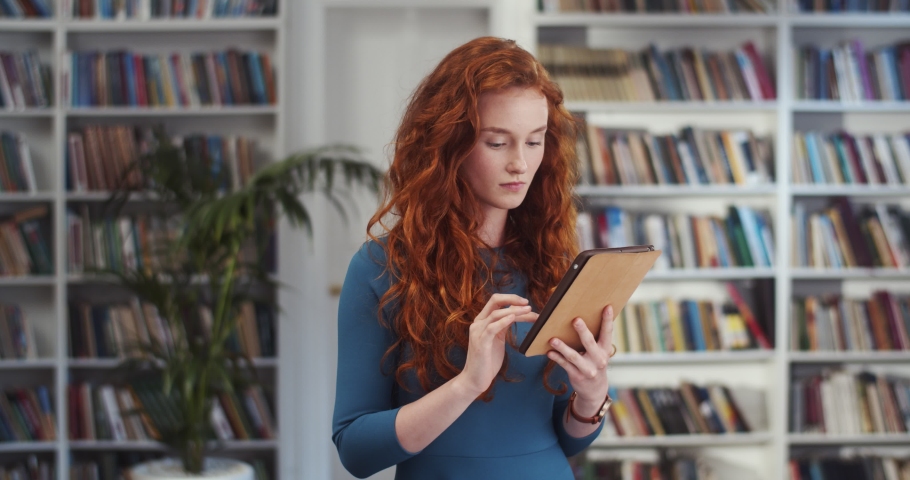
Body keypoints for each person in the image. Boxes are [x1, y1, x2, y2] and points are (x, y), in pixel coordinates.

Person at [332, 36, 616, 479]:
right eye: (498, 143)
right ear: (448, 145)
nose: (521, 164)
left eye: (535, 141)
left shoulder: (554, 260)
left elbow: (570, 439)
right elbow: (356, 450)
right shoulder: (380, 267)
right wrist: (467, 384)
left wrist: (591, 396)